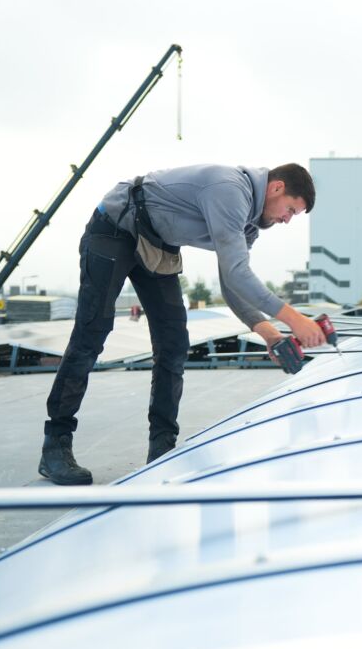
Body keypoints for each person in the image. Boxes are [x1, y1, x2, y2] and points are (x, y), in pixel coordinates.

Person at [39, 163, 326, 486]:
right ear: (276, 188)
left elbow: (231, 282)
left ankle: (162, 449)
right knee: (92, 331)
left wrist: (269, 332)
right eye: (290, 209)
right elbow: (237, 274)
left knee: (174, 342)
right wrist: (295, 319)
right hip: (116, 227)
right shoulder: (231, 190)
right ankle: (56, 445)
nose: (287, 220)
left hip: (158, 243)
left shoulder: (249, 227)